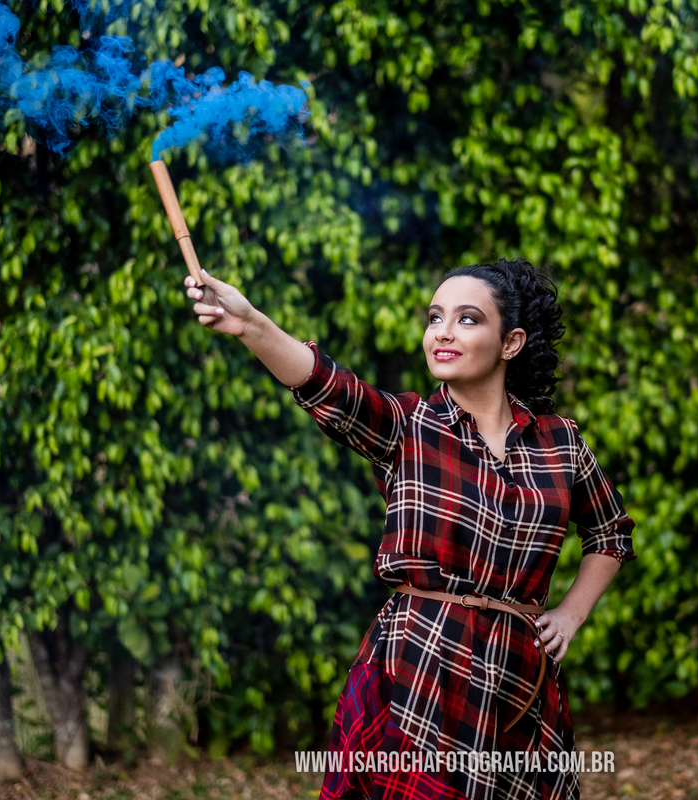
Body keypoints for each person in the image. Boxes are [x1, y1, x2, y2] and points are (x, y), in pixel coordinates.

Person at [184, 258, 635, 800]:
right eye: (435, 317)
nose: (442, 331)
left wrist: (571, 614)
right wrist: (251, 324)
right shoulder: (409, 426)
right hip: (420, 664)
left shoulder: (560, 442)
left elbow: (609, 532)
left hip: (519, 674)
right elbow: (325, 385)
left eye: (467, 319)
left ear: (511, 343)